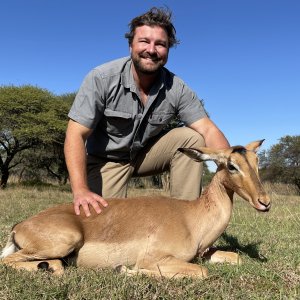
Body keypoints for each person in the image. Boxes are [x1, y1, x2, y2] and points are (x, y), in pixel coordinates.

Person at [64, 7, 230, 217]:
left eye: (160, 44)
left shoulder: (177, 87)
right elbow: (75, 134)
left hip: (144, 156)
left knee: (192, 137)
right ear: (130, 44)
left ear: (168, 50)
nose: (151, 50)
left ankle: (185, 223)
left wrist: (230, 169)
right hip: (106, 162)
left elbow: (208, 129)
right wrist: (80, 190)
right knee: (105, 223)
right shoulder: (101, 78)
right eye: (144, 41)